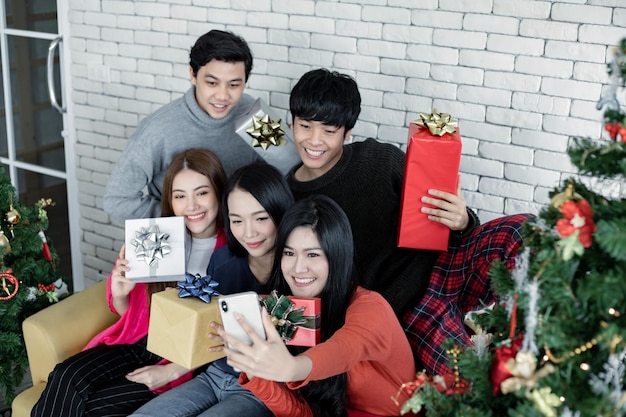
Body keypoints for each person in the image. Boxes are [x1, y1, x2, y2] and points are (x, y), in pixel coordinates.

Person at [284, 68, 533, 376]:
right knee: (471, 379)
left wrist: (462, 221)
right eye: (305, 126)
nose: (314, 140)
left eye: (329, 130)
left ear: (348, 131)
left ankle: (544, 344)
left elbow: (454, 226)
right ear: (291, 123)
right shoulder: (290, 199)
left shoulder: (380, 159)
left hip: (447, 264)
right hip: (407, 308)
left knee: (526, 233)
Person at [31, 149, 229, 417]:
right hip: (138, 341)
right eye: (180, 196)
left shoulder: (231, 250)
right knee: (65, 375)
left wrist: (172, 369)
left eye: (202, 192)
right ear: (170, 200)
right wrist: (121, 294)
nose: (191, 205)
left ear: (219, 191)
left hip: (182, 355)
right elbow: (133, 316)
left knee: (94, 409)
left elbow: (226, 331)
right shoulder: (157, 235)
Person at [219, 195, 416, 417]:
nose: (298, 268)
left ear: (337, 257)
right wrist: (255, 369)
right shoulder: (287, 310)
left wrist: (293, 368)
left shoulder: (371, 308)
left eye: (312, 254)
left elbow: (343, 349)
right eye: (289, 253)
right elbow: (303, 413)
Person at [129, 162, 295, 417]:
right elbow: (210, 330)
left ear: (281, 212)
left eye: (261, 218)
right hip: (214, 375)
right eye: (237, 220)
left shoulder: (299, 269)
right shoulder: (222, 260)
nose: (249, 232)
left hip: (263, 389)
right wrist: (173, 369)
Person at [103, 29, 299, 222]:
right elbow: (117, 200)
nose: (222, 96)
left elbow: (291, 169)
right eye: (212, 83)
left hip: (240, 238)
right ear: (193, 75)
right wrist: (184, 218)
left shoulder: (253, 116)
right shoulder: (158, 130)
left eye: (233, 85)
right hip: (183, 241)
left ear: (245, 82)